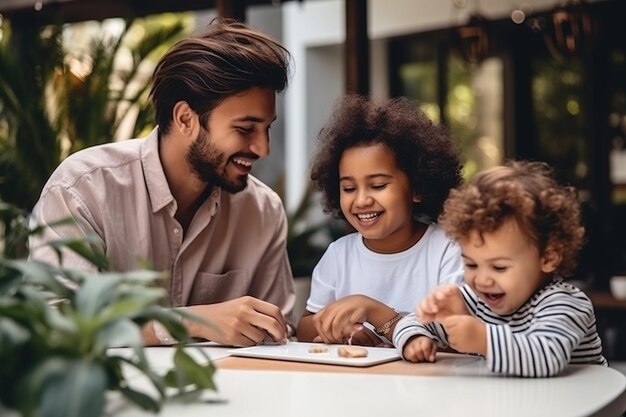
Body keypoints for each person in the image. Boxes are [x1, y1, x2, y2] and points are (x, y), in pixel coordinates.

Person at [28, 19, 296, 347]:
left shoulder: (263, 211)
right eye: (245, 129)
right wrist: (190, 322)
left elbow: (279, 336)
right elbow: (57, 324)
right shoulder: (83, 190)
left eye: (267, 128)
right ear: (185, 118)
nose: (263, 148)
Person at [394, 160, 608, 377]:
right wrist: (415, 338)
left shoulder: (565, 304)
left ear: (548, 257)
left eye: (499, 267)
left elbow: (546, 357)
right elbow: (411, 321)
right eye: (471, 264)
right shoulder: (475, 301)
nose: (482, 280)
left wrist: (483, 340)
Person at [296, 95, 464, 346]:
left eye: (378, 185)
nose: (362, 200)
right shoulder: (339, 255)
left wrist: (376, 314)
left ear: (417, 187)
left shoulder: (447, 249)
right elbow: (306, 327)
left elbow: (457, 333)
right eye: (349, 188)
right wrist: (337, 328)